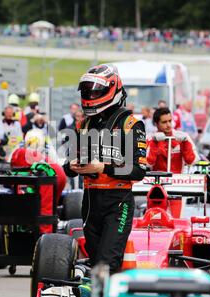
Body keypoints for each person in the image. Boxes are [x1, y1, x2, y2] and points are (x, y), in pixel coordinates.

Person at [63, 64, 147, 273]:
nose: (90, 95)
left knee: (106, 264)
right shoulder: (84, 125)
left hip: (117, 203)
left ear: (111, 89)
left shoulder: (131, 125)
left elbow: (138, 171)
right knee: (95, 262)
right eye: (87, 91)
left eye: (95, 91)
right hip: (90, 202)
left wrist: (103, 167)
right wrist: (72, 166)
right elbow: (69, 167)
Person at [11, 130, 67, 234]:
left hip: (50, 175)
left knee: (45, 210)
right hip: (55, 173)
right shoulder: (25, 154)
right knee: (48, 209)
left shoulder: (22, 155)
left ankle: (45, 238)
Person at [147, 108, 198, 173]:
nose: (168, 125)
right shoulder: (150, 139)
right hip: (157, 181)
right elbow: (147, 163)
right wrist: (154, 143)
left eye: (170, 121)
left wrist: (185, 143)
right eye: (164, 122)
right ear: (156, 124)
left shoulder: (183, 137)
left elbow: (192, 161)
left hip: (178, 180)